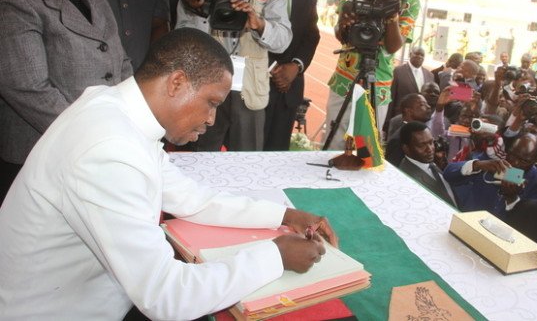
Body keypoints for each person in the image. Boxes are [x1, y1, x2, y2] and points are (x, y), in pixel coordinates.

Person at [0, 28, 335, 320]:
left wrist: (286, 214)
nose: (211, 120)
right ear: (177, 82)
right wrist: (276, 255)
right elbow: (166, 296)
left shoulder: (116, 111)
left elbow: (193, 199)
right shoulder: (109, 149)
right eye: (212, 102)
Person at [0, 0, 132, 204]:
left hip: (96, 149)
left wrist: (125, 121)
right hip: (38, 157)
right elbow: (28, 88)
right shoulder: (15, 0)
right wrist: (93, 134)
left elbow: (122, 64)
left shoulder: (97, 1)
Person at [178, 0, 292, 152]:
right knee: (202, 162)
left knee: (247, 165)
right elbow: (183, 39)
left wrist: (260, 25)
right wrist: (196, 8)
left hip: (250, 93)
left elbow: (282, 41)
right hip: (206, 90)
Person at [324, 0, 420, 149]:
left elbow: (393, 47)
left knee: (366, 148)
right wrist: (361, 5)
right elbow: (341, 33)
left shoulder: (411, 2)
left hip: (380, 81)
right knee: (333, 140)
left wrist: (391, 12)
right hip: (346, 76)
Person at [263, 0, 320, 151]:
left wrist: (295, 67)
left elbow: (311, 36)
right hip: (255, 86)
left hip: (288, 90)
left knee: (276, 155)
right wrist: (274, 69)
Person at [399, 121, 458, 208]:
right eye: (422, 145)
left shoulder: (429, 163)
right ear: (406, 149)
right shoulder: (408, 180)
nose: (430, 149)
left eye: (431, 142)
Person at [385, 45, 434, 129]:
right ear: (410, 54)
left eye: (422, 55)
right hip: (401, 118)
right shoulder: (398, 71)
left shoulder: (430, 75)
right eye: (417, 54)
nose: (419, 56)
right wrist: (387, 121)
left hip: (421, 121)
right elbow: (391, 96)